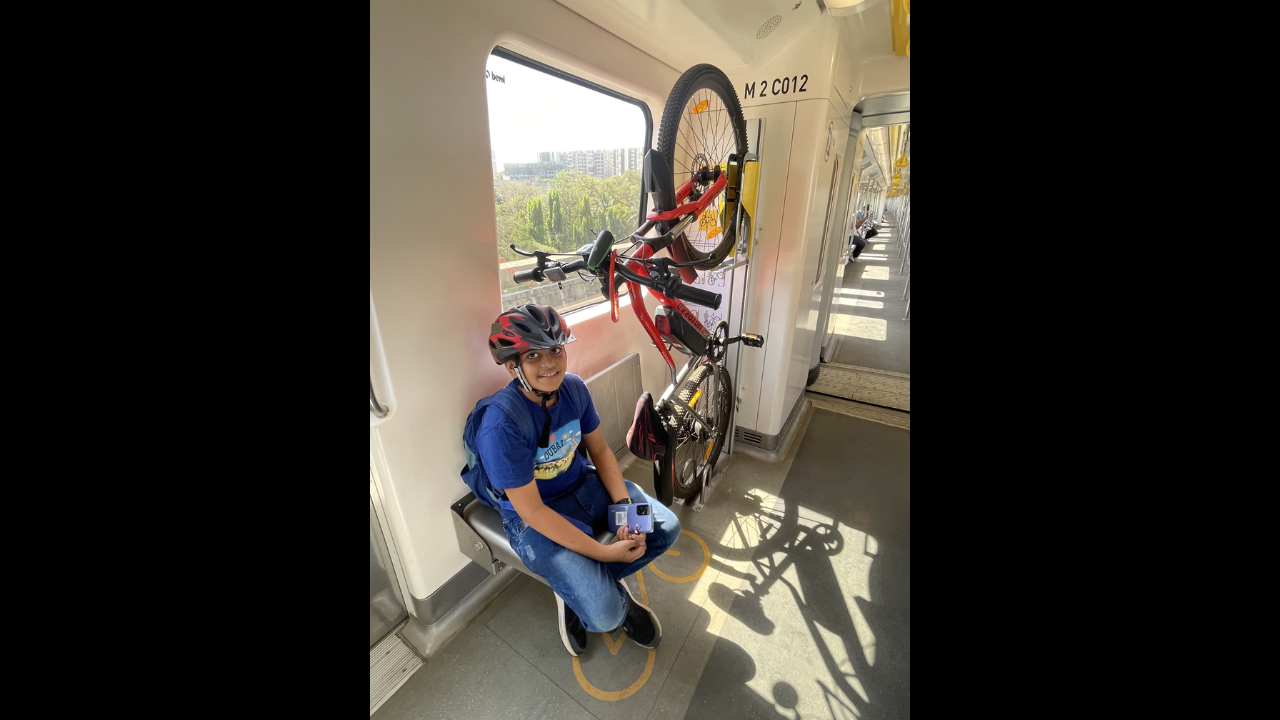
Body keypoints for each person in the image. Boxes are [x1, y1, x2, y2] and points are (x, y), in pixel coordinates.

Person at [470, 303, 681, 657]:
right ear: (512, 366)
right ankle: (588, 593)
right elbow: (533, 512)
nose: (550, 363)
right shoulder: (501, 425)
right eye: (533, 355)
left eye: (555, 350)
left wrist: (626, 510)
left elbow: (599, 452)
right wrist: (603, 552)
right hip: (535, 520)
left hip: (585, 488)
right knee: (605, 616)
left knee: (663, 528)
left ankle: (579, 586)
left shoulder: (574, 389)